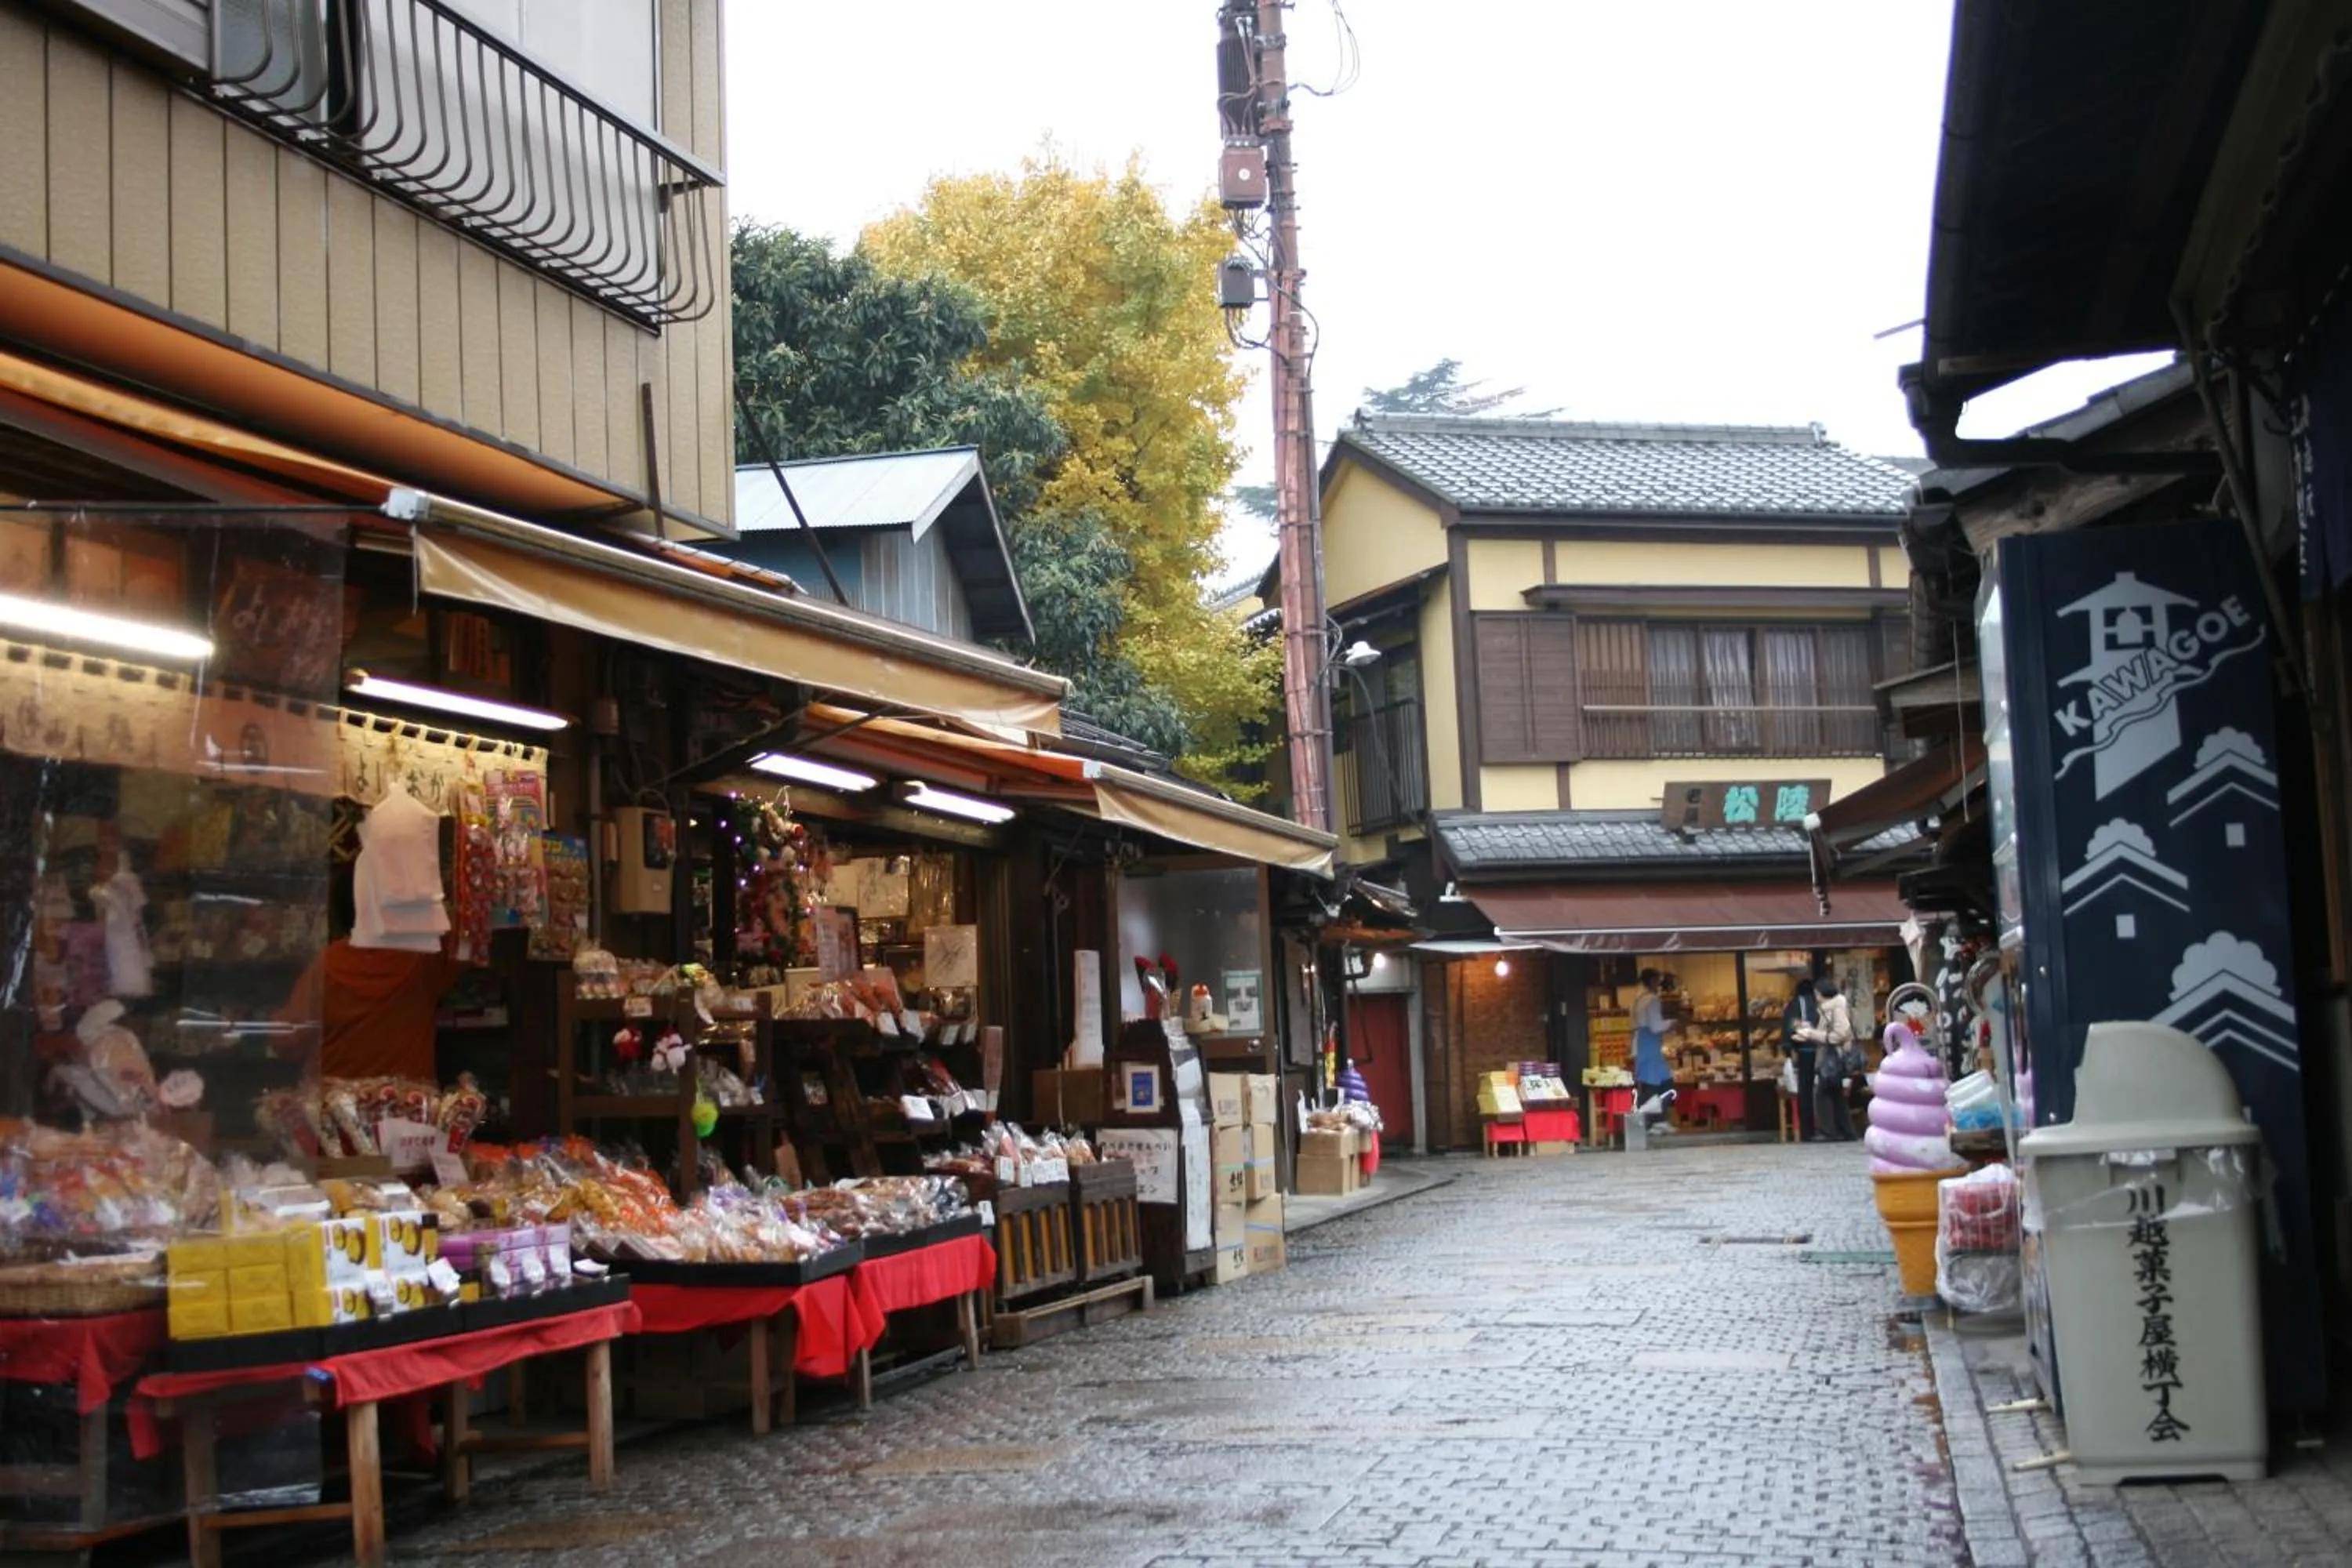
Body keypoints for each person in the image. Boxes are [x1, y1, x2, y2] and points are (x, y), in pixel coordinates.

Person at [1812, 976, 1860, 1142]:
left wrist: (1813, 1034)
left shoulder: (1835, 1009)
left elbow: (1840, 1034)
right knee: (1836, 1093)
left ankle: (1829, 1131)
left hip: (1833, 1056)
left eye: (1816, 993)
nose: (1815, 997)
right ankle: (1847, 1131)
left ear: (1821, 994)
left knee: (1822, 1093)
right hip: (1832, 1056)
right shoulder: (1832, 1008)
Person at [1630, 968, 1676, 1135]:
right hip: (1650, 1045)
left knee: (1658, 1083)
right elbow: (1656, 1026)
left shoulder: (1637, 1000)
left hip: (1641, 1044)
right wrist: (1672, 1023)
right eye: (1657, 981)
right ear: (1651, 982)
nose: (1659, 985)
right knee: (1658, 1085)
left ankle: (1658, 1120)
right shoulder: (1652, 1000)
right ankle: (1649, 1121)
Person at [1782, 978, 1824, 1142]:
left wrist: (1789, 1050)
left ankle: (1807, 1131)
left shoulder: (1795, 1005)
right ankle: (1827, 1126)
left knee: (1805, 1092)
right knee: (1824, 1089)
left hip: (1804, 1052)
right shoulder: (1820, 1004)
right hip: (1823, 1050)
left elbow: (1789, 1028)